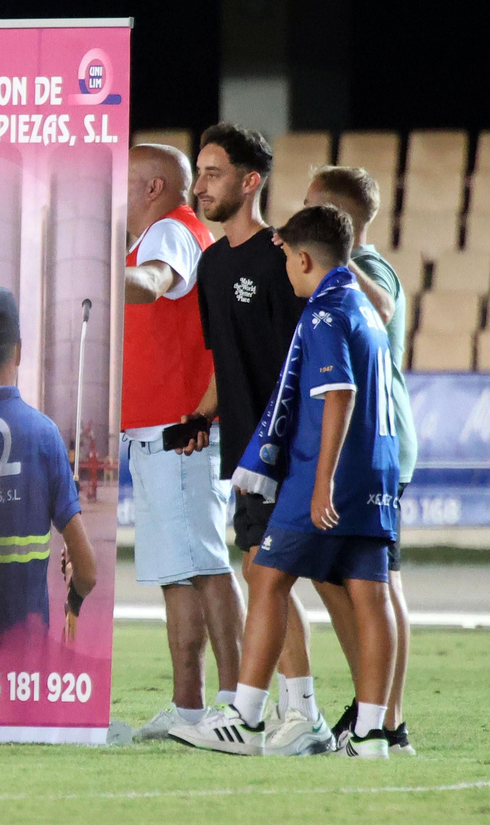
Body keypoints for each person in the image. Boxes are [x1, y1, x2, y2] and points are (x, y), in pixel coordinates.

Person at [170, 205, 401, 759]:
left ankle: (246, 718)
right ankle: (373, 733)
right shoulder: (364, 306)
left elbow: (337, 395)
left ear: (302, 258)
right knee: (371, 593)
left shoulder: (324, 311)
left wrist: (321, 484)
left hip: (331, 469)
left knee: (266, 575)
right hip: (376, 467)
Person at [177, 123, 330, 755]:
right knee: (260, 572)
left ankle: (293, 714)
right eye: (199, 173)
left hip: (287, 448)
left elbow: (305, 355)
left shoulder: (280, 257)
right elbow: (226, 361)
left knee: (270, 575)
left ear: (250, 181)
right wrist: (200, 415)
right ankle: (304, 715)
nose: (200, 186)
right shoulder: (212, 265)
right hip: (244, 453)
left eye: (213, 174)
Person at [120, 144, 245, 740]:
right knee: (181, 571)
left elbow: (149, 285)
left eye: (122, 183)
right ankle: (190, 707)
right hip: (159, 430)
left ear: (153, 187)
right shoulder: (161, 234)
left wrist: (85, 275)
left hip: (182, 431)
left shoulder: (172, 232)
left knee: (205, 565)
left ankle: (237, 705)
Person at [301, 166, 418, 755]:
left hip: (371, 445)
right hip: (373, 445)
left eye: (312, 208)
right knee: (361, 580)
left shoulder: (367, 271)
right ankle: (379, 712)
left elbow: (387, 309)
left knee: (367, 581)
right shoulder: (364, 270)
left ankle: (382, 716)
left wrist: (335, 253)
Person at [0, 287, 97, 642]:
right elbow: (87, 573)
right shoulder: (44, 434)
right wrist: (74, 598)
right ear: (19, 352)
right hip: (27, 652)